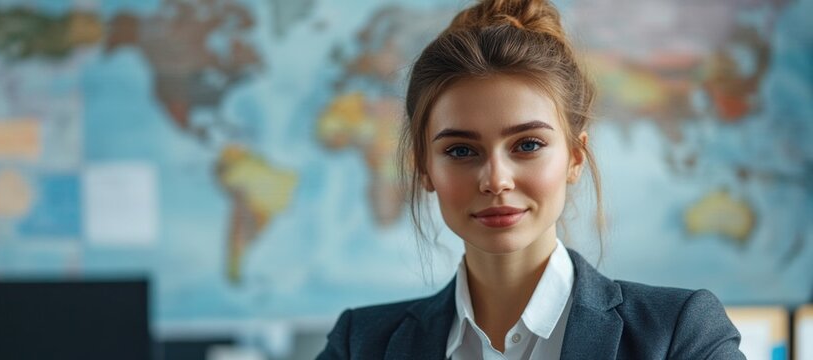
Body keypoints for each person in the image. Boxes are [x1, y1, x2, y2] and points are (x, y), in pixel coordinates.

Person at [317, 0, 745, 358]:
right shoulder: (361, 344)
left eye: (527, 145)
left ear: (576, 157)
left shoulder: (679, 334)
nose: (496, 180)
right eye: (461, 151)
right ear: (425, 168)